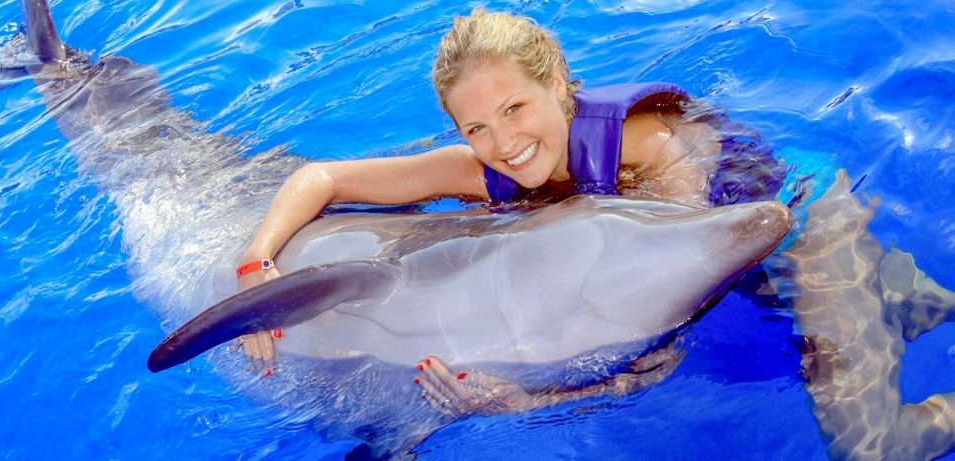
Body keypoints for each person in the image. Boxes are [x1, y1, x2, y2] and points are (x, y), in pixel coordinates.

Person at [234, 8, 783, 413]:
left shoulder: (653, 148)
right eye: (477, 128)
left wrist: (537, 397)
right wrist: (256, 262)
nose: (504, 142)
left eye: (514, 108)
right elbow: (322, 176)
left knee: (833, 359)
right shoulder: (483, 169)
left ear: (561, 85)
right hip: (687, 237)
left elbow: (678, 293)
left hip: (777, 196)